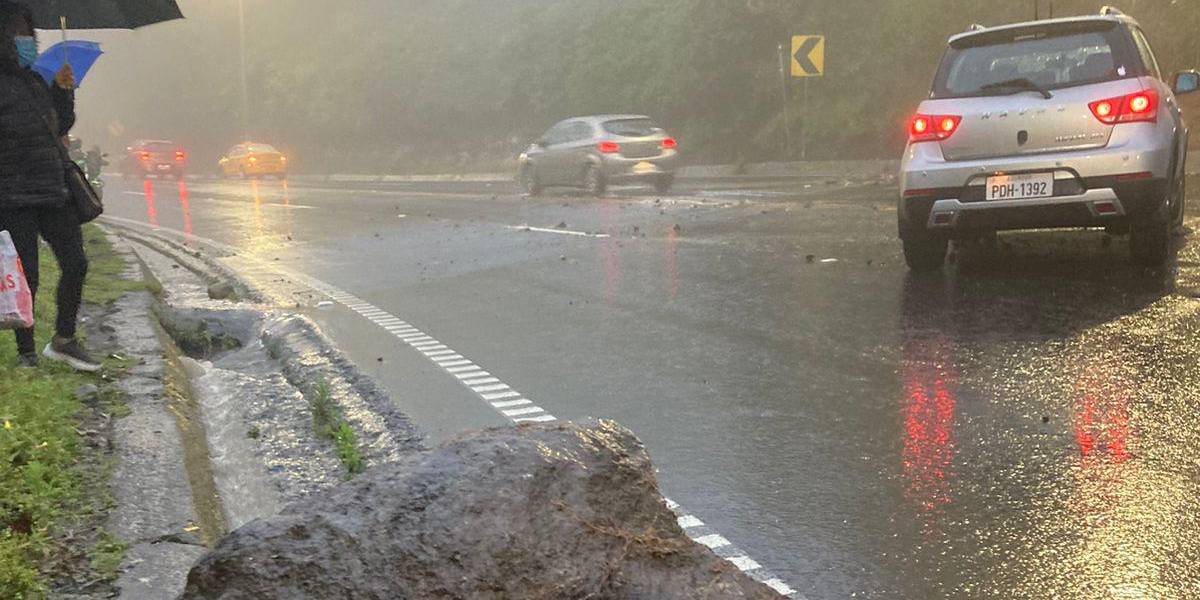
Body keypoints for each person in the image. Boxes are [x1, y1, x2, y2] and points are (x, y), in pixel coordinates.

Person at [0, 0, 99, 371]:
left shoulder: (35, 81)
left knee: (76, 262)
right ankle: (26, 353)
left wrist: (63, 91)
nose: (27, 40)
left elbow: (59, 126)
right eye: (19, 32)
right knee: (27, 276)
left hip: (53, 189)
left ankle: (63, 339)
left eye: (30, 33)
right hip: (12, 195)